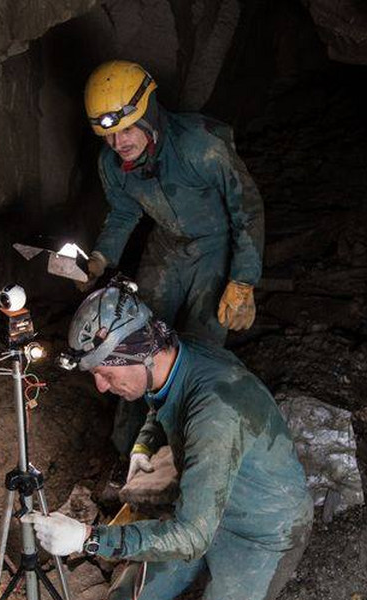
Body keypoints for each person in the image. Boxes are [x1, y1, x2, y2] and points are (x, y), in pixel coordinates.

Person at [29, 279, 312, 600]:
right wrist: (144, 445)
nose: (101, 386)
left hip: (263, 532)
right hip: (209, 505)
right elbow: (157, 402)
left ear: (140, 352)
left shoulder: (214, 413)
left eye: (107, 374)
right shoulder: (173, 354)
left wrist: (88, 539)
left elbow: (192, 536)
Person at [80, 59, 266, 453]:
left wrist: (244, 278)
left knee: (199, 346)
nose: (119, 143)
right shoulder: (113, 164)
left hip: (215, 248)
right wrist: (99, 258)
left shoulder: (200, 146)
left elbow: (246, 209)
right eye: (109, 135)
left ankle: (182, 449)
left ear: (148, 113)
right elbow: (125, 213)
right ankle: (129, 450)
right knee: (131, 340)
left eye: (127, 129)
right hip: (166, 249)